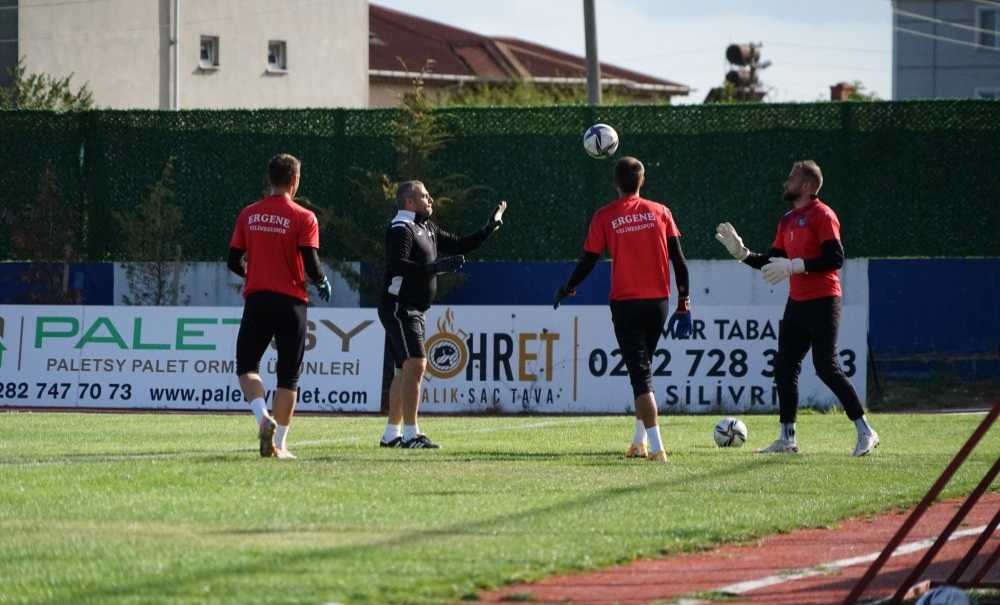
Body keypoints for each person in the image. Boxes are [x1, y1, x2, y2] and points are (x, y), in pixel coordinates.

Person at [714, 160, 878, 457]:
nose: (785, 183)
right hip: (797, 303)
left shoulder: (823, 215)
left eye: (791, 178)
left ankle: (866, 431)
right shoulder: (787, 220)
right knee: (785, 367)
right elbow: (773, 260)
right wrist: (742, 253)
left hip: (824, 300)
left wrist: (797, 265)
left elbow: (835, 258)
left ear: (805, 185)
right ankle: (787, 439)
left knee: (826, 367)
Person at [553, 156, 691, 464]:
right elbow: (679, 262)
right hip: (659, 304)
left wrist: (569, 286)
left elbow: (589, 259)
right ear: (642, 181)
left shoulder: (605, 216)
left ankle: (657, 447)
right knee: (643, 370)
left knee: (640, 376)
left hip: (626, 303)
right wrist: (684, 303)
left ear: (615, 183)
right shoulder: (661, 211)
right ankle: (638, 442)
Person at [378, 181, 506, 449]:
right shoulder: (401, 228)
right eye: (425, 196)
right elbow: (397, 264)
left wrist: (488, 228)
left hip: (414, 309)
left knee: (404, 369)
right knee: (416, 365)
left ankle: (392, 434)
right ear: (410, 202)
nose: (431, 200)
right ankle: (412, 435)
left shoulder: (428, 227)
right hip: (399, 308)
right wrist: (434, 267)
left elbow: (461, 244)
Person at [228, 153, 332, 459]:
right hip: (292, 304)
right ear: (295, 181)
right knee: (289, 376)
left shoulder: (249, 214)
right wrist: (322, 281)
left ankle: (263, 417)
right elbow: (311, 262)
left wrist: (255, 272)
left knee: (247, 366)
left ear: (269, 179)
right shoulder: (304, 217)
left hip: (258, 300)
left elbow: (233, 260)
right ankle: (281, 444)